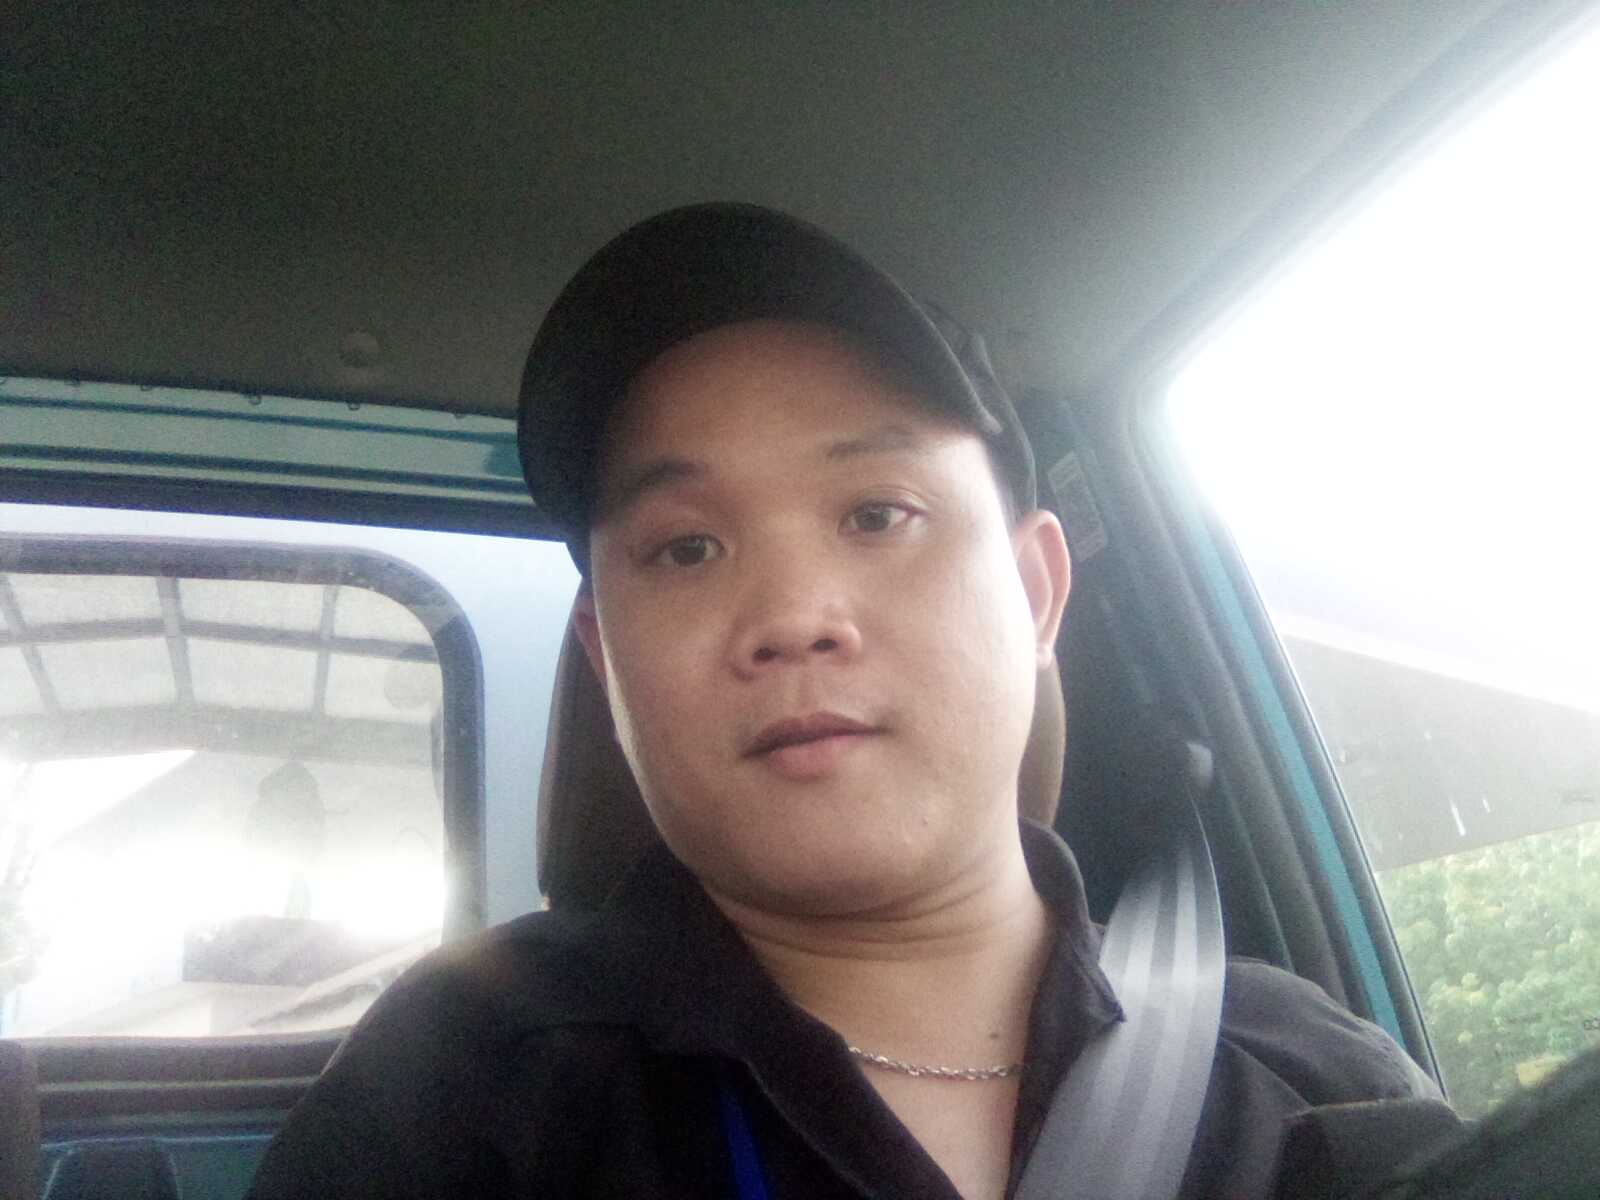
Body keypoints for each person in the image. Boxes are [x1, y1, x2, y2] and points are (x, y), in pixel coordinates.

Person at [247, 203, 1448, 1200]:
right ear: (606, 658)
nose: (791, 615)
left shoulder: (1308, 1084)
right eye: (685, 549)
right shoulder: (461, 1094)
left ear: (1036, 592)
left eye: (877, 515)